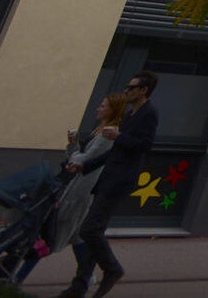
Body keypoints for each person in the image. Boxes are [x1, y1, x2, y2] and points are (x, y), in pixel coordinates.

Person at [59, 71, 157, 298]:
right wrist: (85, 167)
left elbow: (144, 145)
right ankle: (79, 286)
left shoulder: (149, 114)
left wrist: (118, 137)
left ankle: (112, 269)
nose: (126, 91)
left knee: (89, 229)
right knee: (95, 230)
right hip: (109, 177)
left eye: (131, 87)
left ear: (143, 90)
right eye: (127, 86)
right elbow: (115, 153)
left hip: (120, 180)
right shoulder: (131, 115)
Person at [50, 95, 127, 258]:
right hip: (78, 184)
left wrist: (73, 151)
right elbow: (80, 156)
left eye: (103, 106)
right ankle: (86, 276)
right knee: (77, 236)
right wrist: (74, 144)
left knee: (54, 234)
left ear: (112, 110)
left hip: (80, 190)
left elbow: (85, 159)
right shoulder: (99, 130)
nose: (98, 109)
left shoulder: (107, 135)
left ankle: (20, 275)